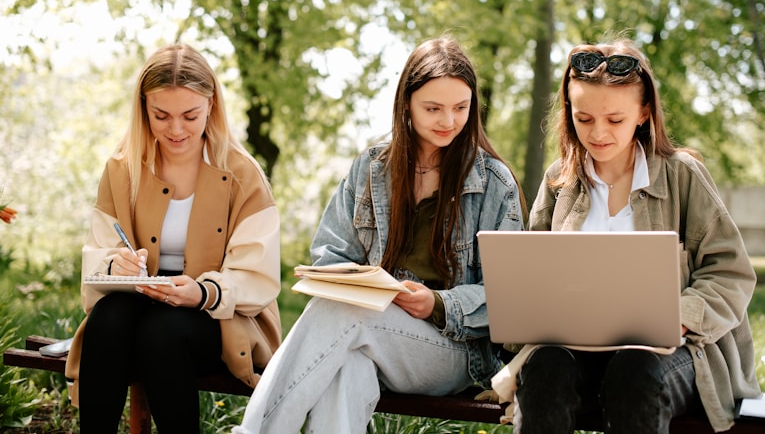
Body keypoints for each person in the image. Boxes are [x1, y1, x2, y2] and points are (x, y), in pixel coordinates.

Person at [233, 36, 526, 433]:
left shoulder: (494, 182)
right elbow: (330, 254)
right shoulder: (371, 169)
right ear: (406, 103)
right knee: (348, 367)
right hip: (369, 335)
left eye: (460, 108)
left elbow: (510, 296)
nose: (448, 121)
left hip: (455, 353)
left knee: (345, 313)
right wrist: (361, 283)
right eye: (433, 108)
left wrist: (438, 303)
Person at [493, 39, 761, 433]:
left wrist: (679, 318)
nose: (598, 133)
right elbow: (532, 276)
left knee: (634, 370)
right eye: (584, 119)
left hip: (669, 356)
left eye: (615, 120)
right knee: (545, 366)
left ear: (644, 112)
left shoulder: (682, 175)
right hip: (576, 352)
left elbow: (730, 273)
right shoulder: (559, 180)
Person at [64, 43, 283, 433]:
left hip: (216, 317)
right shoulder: (121, 168)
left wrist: (200, 293)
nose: (176, 129)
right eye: (161, 115)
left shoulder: (242, 174)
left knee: (161, 331)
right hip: (137, 308)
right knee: (107, 319)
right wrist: (116, 264)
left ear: (211, 106)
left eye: (190, 115)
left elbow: (258, 275)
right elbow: (98, 253)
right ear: (143, 108)